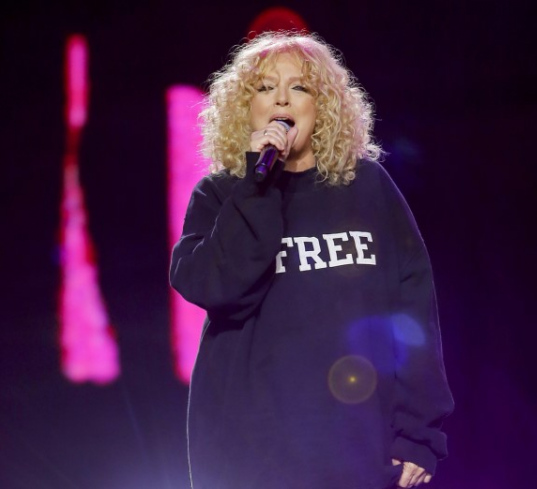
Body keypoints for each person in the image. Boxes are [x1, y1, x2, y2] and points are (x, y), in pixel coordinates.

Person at [170, 31, 454, 489]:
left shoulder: (368, 188)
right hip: (246, 460)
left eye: (299, 87)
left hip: (358, 453)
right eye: (265, 88)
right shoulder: (221, 195)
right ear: (245, 108)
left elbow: (413, 311)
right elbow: (210, 285)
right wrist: (257, 185)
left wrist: (419, 433)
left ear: (322, 107)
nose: (281, 98)